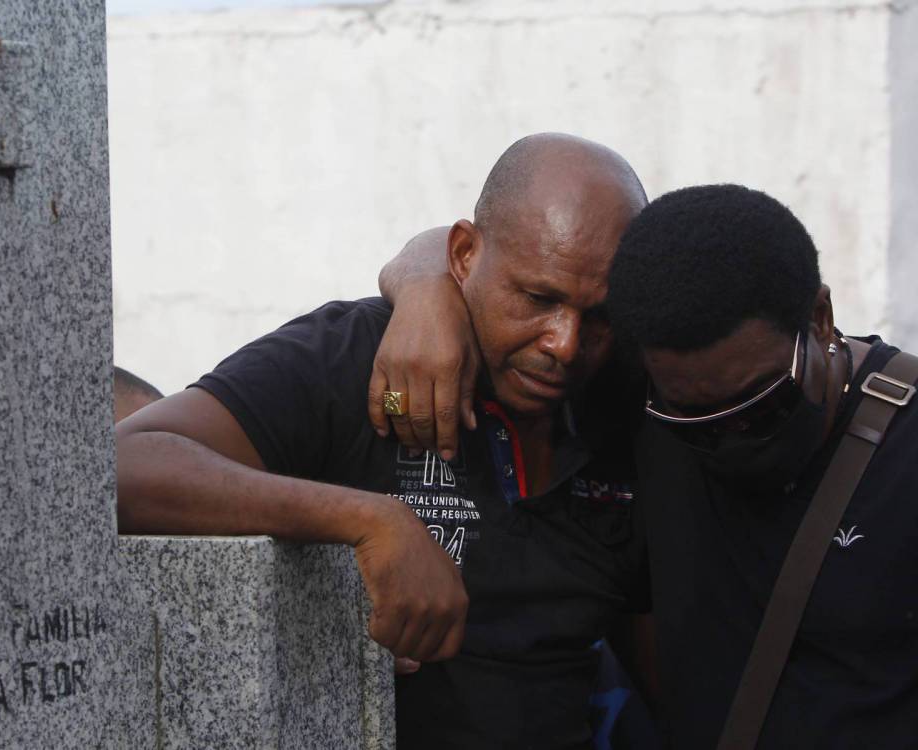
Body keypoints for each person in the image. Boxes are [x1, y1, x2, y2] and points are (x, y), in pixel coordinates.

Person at [116, 133, 654, 747]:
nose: (564, 342)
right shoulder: (352, 357)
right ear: (463, 254)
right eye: (537, 298)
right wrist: (371, 521)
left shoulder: (628, 403)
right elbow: (126, 466)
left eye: (601, 316)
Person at [378, 183, 918, 748]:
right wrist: (425, 294)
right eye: (696, 422)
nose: (730, 437)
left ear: (821, 317)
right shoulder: (642, 390)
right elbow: (484, 248)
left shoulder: (902, 451)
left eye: (763, 407)